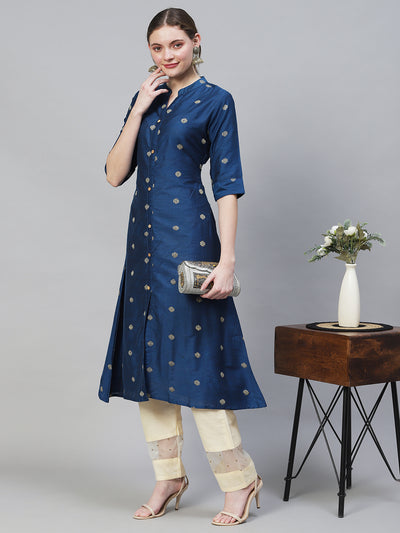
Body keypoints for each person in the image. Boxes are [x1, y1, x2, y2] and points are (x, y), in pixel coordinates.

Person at [98, 7, 266, 526]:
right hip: (143, 246)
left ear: (196, 42)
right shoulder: (146, 99)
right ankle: (168, 476)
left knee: (198, 359)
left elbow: (228, 184)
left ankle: (239, 480)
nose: (167, 55)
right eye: (157, 47)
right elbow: (114, 174)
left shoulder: (216, 100)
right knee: (146, 362)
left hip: (190, 237)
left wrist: (227, 259)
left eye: (176, 44)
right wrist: (137, 110)